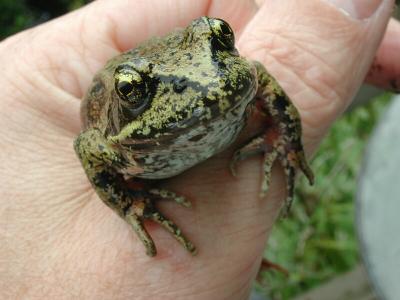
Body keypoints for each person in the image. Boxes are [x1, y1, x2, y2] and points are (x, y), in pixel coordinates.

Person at [0, 0, 398, 298]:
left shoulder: (235, 75)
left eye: (221, 40)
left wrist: (284, 136)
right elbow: (88, 145)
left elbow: (257, 74)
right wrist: (131, 203)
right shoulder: (115, 148)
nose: (208, 84)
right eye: (133, 90)